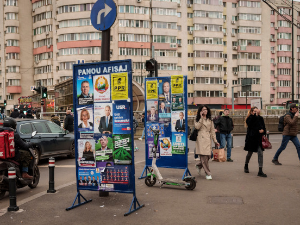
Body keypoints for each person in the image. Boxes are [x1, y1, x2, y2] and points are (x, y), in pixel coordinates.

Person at [194, 105, 219, 180]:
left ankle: (198, 165)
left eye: (206, 109)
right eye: (203, 109)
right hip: (201, 139)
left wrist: (215, 141)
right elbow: (197, 127)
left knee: (208, 156)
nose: (205, 111)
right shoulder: (197, 119)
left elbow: (212, 131)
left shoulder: (210, 120)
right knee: (204, 157)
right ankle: (208, 173)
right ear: (200, 111)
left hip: (208, 139)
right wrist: (201, 118)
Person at [244, 107, 267, 177]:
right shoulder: (250, 118)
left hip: (259, 139)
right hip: (251, 139)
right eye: (254, 111)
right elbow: (250, 125)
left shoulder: (261, 118)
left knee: (260, 153)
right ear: (251, 112)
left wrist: (263, 131)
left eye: (257, 111)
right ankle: (246, 165)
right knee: (249, 153)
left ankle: (260, 170)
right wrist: (255, 116)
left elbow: (264, 127)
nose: (256, 112)